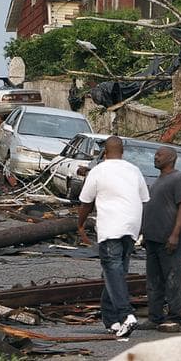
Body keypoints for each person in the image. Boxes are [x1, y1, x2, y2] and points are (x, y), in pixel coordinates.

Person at [77, 136, 149, 338]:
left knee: (112, 270)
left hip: (111, 228)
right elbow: (144, 200)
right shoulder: (134, 170)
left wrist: (80, 224)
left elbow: (85, 202)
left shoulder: (98, 171)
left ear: (105, 153)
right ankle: (112, 321)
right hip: (131, 228)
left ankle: (127, 315)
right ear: (122, 152)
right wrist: (139, 228)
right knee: (116, 272)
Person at [138, 147, 181, 333]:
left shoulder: (178, 179)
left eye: (160, 155)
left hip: (169, 240)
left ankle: (175, 318)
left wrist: (175, 235)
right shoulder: (158, 180)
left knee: (173, 280)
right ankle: (155, 317)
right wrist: (145, 233)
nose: (155, 157)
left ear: (171, 158)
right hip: (153, 239)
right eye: (155, 154)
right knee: (153, 282)